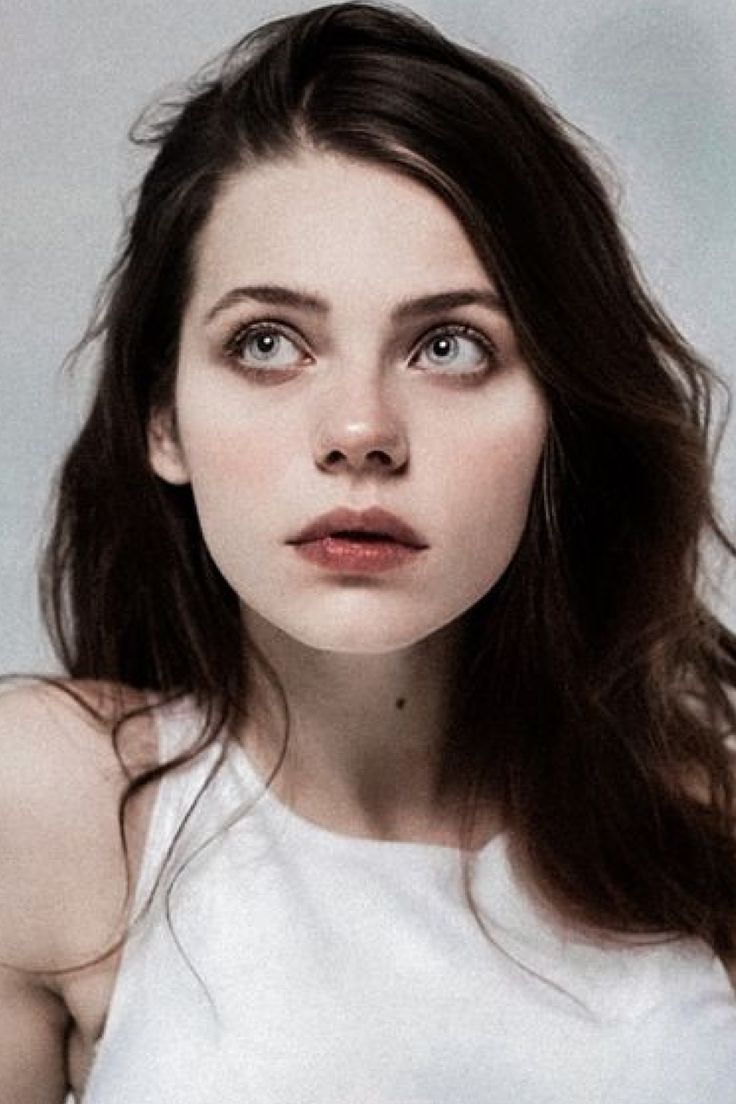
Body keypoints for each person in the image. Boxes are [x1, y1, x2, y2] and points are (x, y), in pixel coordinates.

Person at [2, 2, 736, 1101]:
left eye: (450, 346)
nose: (360, 430)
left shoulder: (702, 824)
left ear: (559, 418)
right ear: (164, 420)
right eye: (267, 343)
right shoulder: (53, 805)